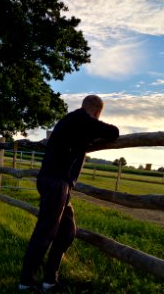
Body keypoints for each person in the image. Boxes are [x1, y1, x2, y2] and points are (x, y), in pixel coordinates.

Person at [18, 95, 120, 291]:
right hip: (56, 182)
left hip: (57, 182)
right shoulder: (82, 120)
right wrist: (96, 129)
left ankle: (49, 280)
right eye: (99, 115)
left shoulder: (73, 121)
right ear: (97, 111)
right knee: (45, 232)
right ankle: (26, 282)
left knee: (67, 231)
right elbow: (113, 132)